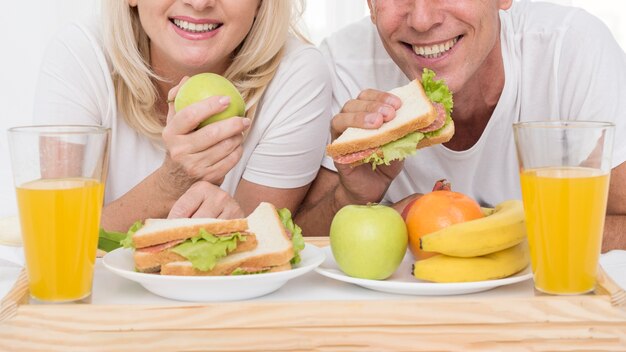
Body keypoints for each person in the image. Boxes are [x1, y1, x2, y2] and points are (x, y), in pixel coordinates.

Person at [294, 0, 626, 251]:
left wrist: (483, 233)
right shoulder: (343, 63)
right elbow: (303, 244)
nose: (422, 20)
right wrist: (351, 197)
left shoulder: (569, 49)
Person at [32, 0, 332, 232]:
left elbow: (249, 255)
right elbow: (58, 238)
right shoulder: (82, 54)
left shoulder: (296, 73)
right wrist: (170, 183)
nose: (200, 3)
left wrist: (240, 230)